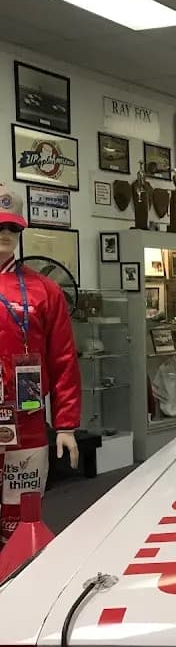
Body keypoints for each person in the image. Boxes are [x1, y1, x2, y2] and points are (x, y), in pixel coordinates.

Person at [0, 188, 80, 544]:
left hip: (27, 419)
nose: (5, 235)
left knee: (21, 517)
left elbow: (64, 360)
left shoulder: (45, 291)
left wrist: (66, 425)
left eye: (13, 230)